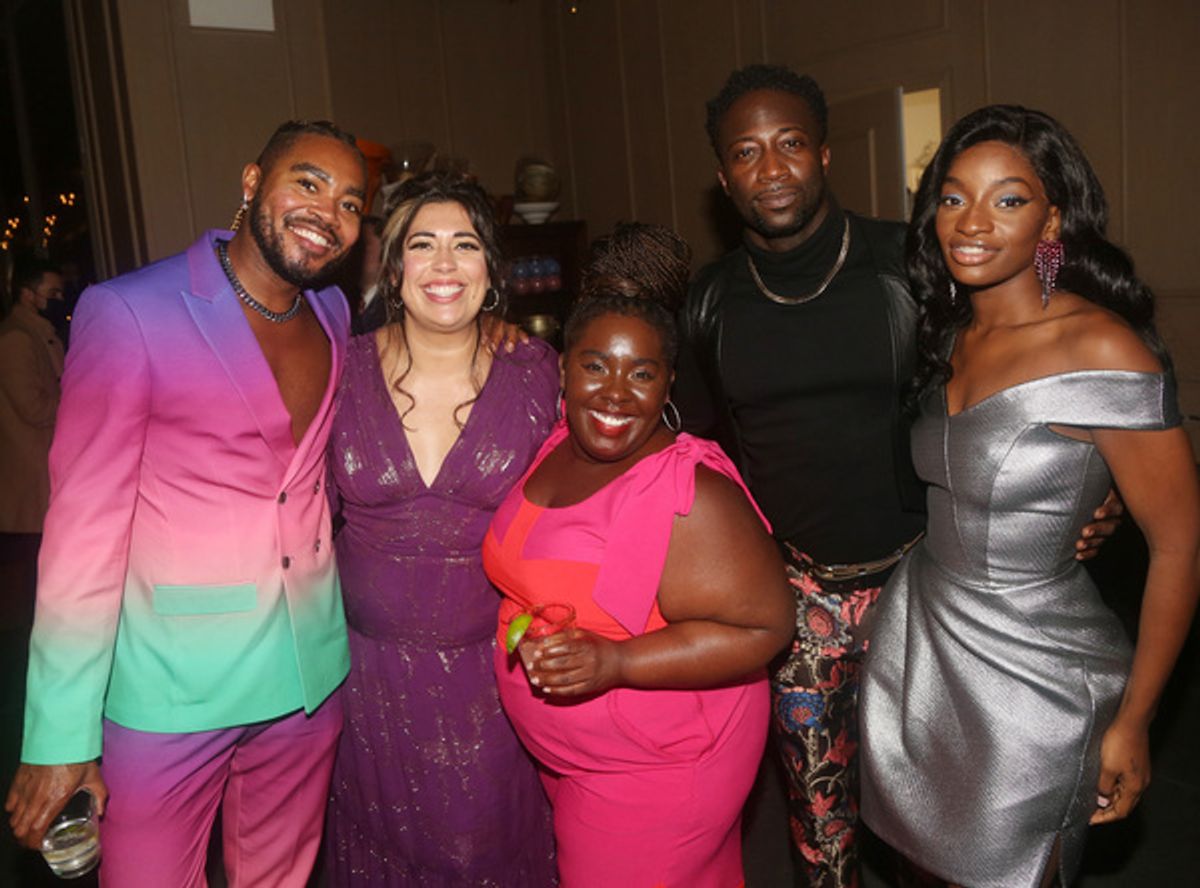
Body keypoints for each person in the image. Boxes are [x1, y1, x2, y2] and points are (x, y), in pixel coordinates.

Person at [675, 64, 1122, 887]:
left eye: (790, 145)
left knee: (948, 818)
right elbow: (696, 455)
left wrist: (1095, 491)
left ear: (825, 154)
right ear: (723, 176)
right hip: (795, 598)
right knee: (820, 828)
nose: (771, 169)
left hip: (930, 586)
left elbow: (1037, 355)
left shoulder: (908, 264)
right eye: (746, 152)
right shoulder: (708, 304)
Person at [5, 119, 367, 887]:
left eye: (350, 203)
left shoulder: (335, 317)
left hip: (309, 677)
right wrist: (59, 734)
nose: (327, 212)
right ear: (249, 183)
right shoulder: (129, 313)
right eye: (306, 182)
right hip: (172, 691)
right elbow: (81, 539)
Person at [858, 104, 1200, 888]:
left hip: (1034, 678)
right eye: (952, 197)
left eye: (1008, 199)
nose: (971, 222)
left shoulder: (1102, 349)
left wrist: (1137, 720)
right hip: (924, 653)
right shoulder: (947, 335)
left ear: (1053, 220)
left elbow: (1180, 544)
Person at [484, 222, 795, 887]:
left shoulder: (694, 495)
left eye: (642, 372)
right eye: (595, 365)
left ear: (668, 383)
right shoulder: (558, 441)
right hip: (579, 760)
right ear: (561, 366)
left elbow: (767, 627)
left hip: (661, 769)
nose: (616, 392)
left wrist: (616, 660)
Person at [323, 171, 558, 886]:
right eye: (423, 245)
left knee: (485, 852)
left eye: (465, 245)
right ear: (395, 269)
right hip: (365, 681)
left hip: (492, 680)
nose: (446, 264)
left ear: (493, 270)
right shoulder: (338, 367)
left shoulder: (537, 371)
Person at [0, 258, 66, 625]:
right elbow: (34, 408)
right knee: (28, 587)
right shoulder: (15, 340)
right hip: (28, 483)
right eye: (51, 293)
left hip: (41, 473)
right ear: (27, 295)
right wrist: (78, 398)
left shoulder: (39, 334)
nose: (59, 299)